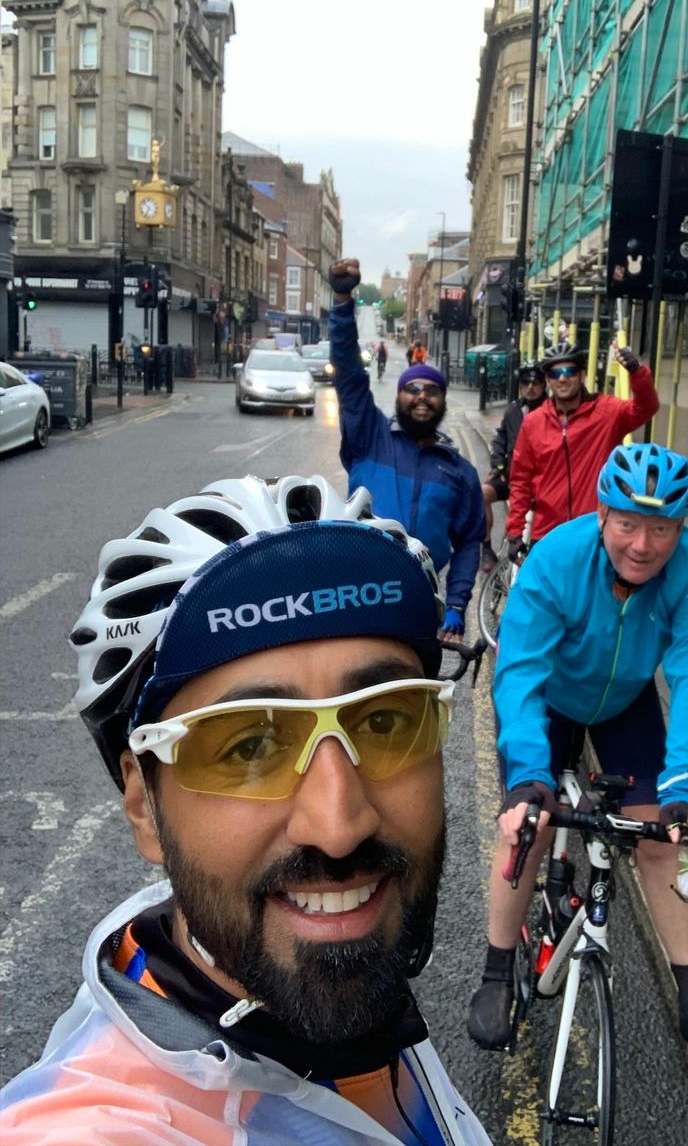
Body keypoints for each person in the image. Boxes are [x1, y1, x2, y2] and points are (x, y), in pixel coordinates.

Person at [0, 474, 491, 1145]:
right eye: (249, 746)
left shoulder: (352, 990)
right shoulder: (101, 1127)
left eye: (384, 721)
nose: (339, 827)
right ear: (144, 806)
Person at [467, 444, 688, 1087]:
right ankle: (495, 969)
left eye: (661, 529)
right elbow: (519, 674)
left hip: (625, 701)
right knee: (528, 827)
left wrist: (684, 788)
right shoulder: (556, 558)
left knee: (663, 839)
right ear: (602, 516)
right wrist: (529, 777)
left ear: (682, 528)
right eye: (627, 524)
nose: (643, 546)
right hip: (549, 697)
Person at [329, 258, 485, 643]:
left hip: (420, 602)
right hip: (356, 595)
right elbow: (349, 373)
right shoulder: (370, 436)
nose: (422, 397)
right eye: (412, 389)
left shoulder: (460, 472)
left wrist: (456, 605)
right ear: (399, 396)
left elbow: (469, 543)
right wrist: (343, 302)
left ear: (443, 401)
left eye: (432, 391)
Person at [504, 341, 659, 559]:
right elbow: (520, 480)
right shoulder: (533, 422)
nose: (562, 378)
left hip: (595, 532)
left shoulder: (607, 412)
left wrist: (637, 372)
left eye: (569, 371)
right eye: (555, 373)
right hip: (548, 533)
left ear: (582, 375)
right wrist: (514, 532)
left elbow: (647, 407)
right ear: (548, 380)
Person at [479, 364, 547, 572]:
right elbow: (500, 439)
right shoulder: (514, 410)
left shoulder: (550, 412)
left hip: (538, 484)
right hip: (511, 477)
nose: (530, 387)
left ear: (544, 385)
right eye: (526, 383)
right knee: (482, 494)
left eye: (535, 383)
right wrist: (498, 465)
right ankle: (487, 548)